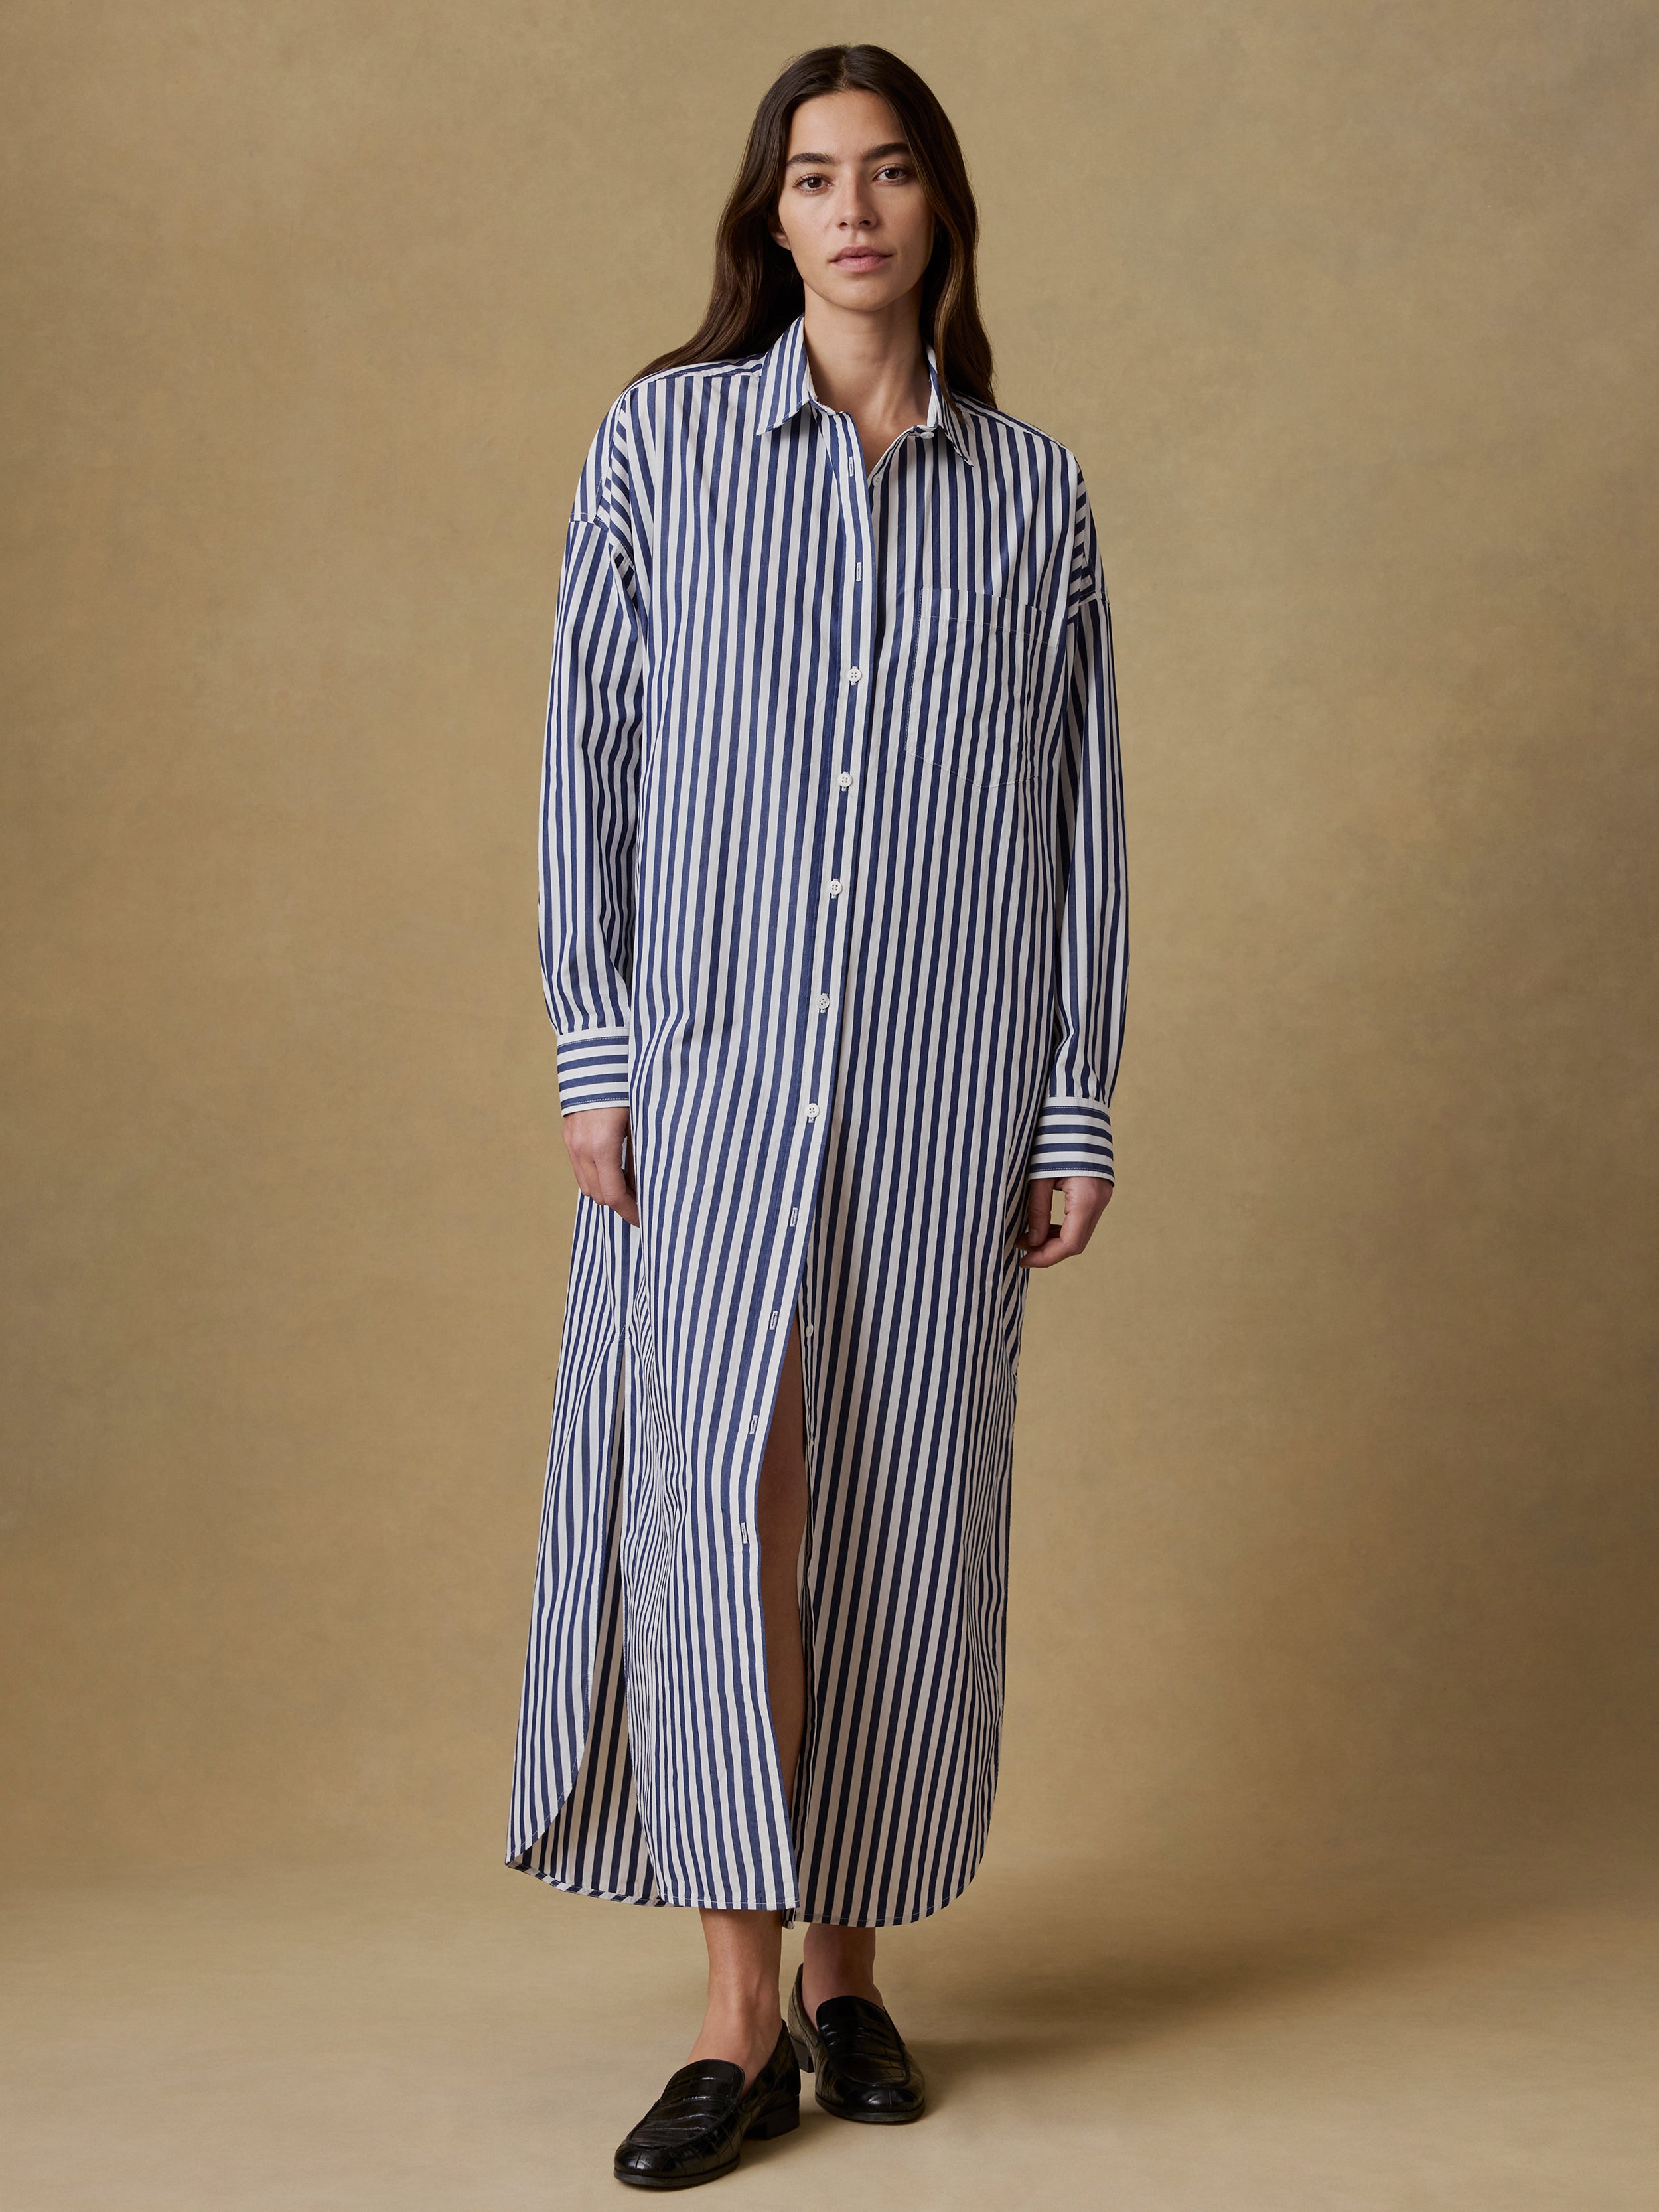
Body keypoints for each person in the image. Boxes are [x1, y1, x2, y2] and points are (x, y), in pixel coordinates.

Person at [507, 41, 1128, 2191]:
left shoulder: (1030, 493)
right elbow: (583, 761)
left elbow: (1080, 829)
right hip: (705, 1093)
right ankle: (732, 2007)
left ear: (940, 209)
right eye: (809, 178)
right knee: (724, 1512)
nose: (850, 210)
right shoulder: (659, 444)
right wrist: (596, 1056)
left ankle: (856, 1979)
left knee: (891, 1520)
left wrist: (1072, 1102)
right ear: (766, 218)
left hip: (945, 1103)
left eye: (885, 176)